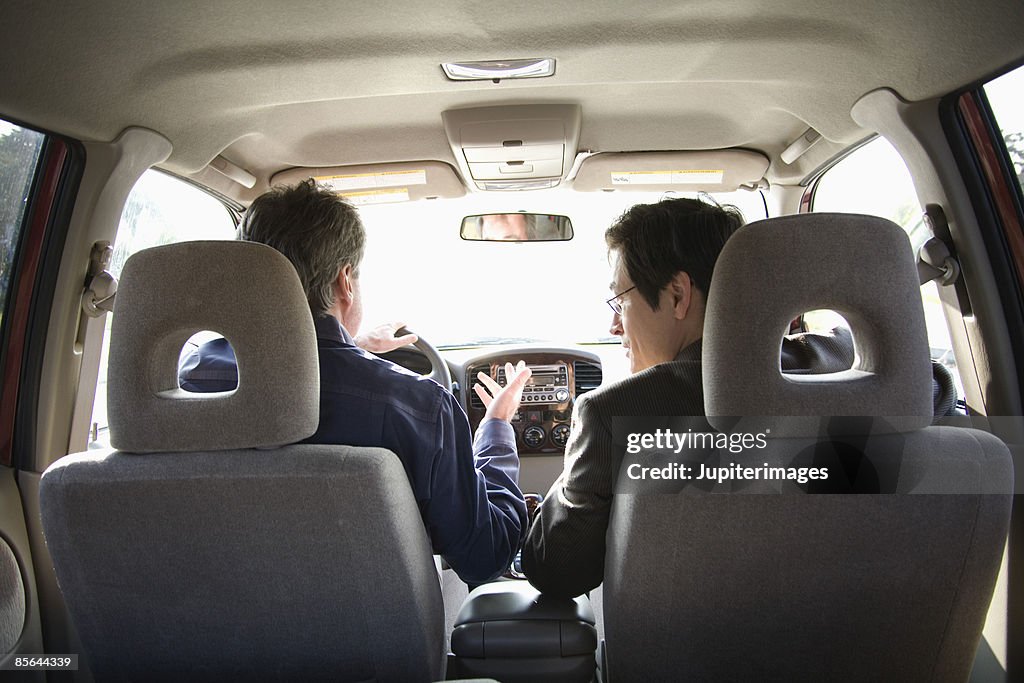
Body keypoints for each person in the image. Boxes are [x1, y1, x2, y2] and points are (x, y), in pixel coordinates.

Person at [178, 179, 531, 585]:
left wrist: (354, 348)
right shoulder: (420, 406)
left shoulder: (186, 381)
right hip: (374, 637)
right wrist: (497, 429)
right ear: (345, 280)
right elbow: (484, 557)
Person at [520, 197, 854, 598]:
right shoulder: (851, 369)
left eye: (620, 301)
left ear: (678, 295)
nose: (614, 325)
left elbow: (558, 571)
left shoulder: (613, 415)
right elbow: (937, 383)